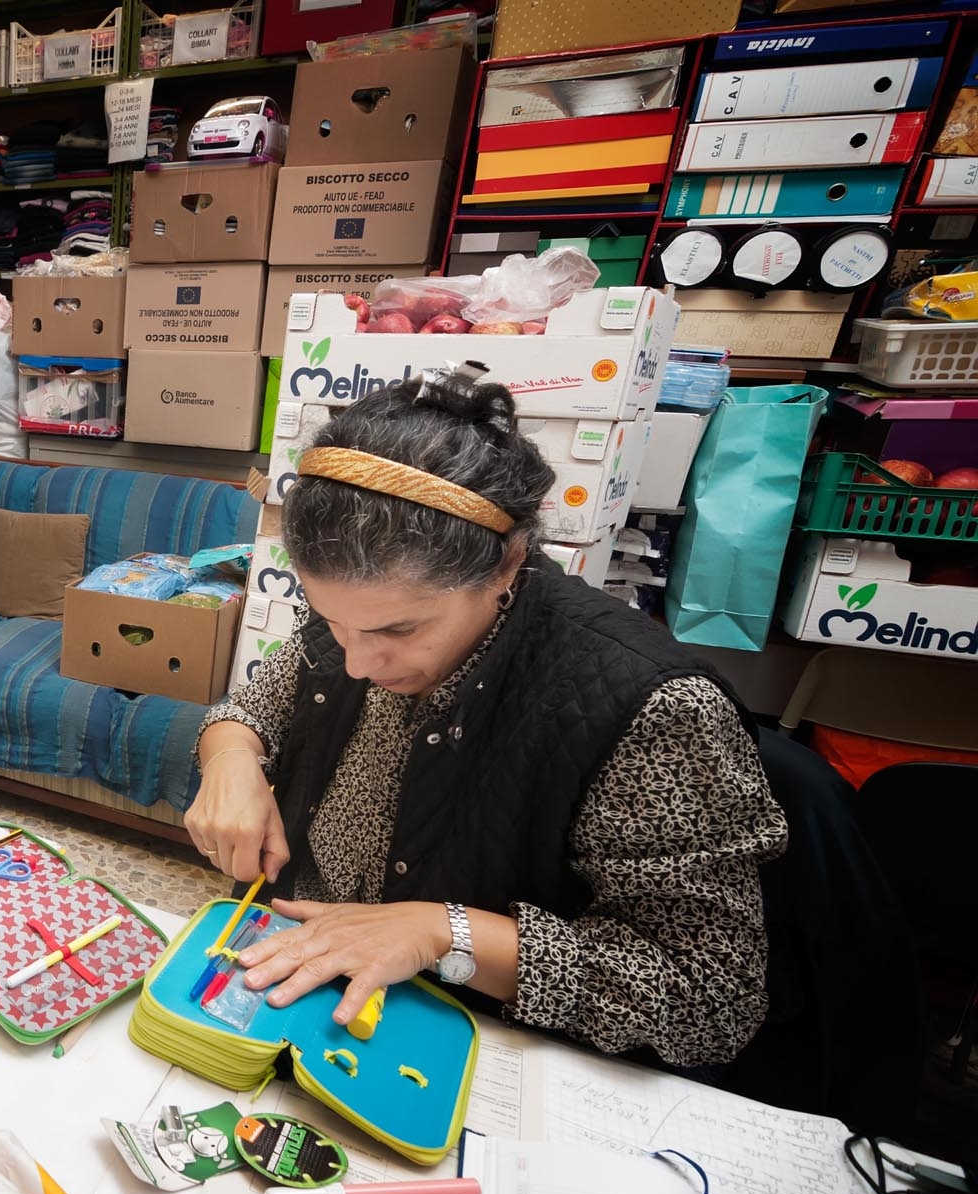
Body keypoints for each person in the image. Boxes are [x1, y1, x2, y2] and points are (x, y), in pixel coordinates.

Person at [186, 367, 787, 1068]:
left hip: (451, 1038)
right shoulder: (358, 616)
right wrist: (229, 759)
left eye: (401, 632)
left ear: (506, 564)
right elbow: (252, 709)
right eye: (331, 623)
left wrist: (447, 934)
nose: (356, 664)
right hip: (297, 991)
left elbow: (708, 999)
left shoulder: (651, 708)